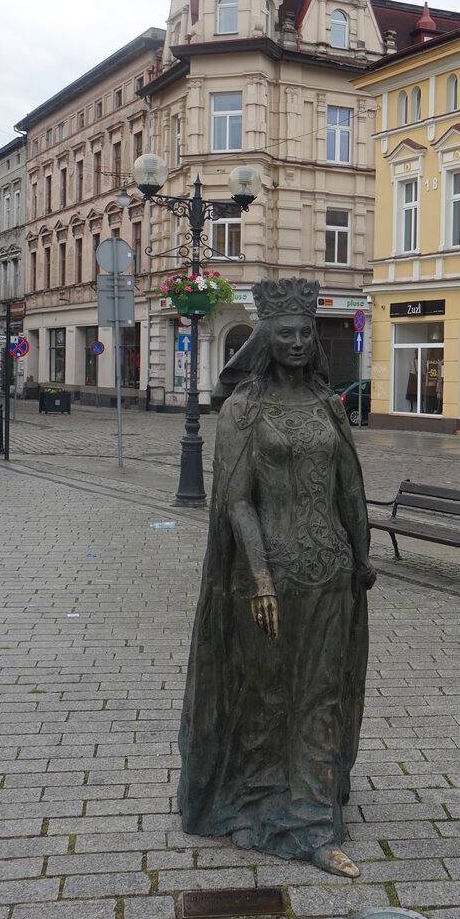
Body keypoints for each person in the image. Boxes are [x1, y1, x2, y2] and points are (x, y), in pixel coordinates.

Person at [177, 277, 376, 878]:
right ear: (266, 336)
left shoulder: (328, 407)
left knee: (320, 695)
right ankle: (255, 799)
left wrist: (362, 558)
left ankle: (313, 821)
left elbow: (350, 489)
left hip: (329, 575)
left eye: (303, 332)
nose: (295, 341)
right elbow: (236, 501)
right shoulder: (243, 410)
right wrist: (261, 579)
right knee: (264, 698)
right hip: (265, 581)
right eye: (283, 332)